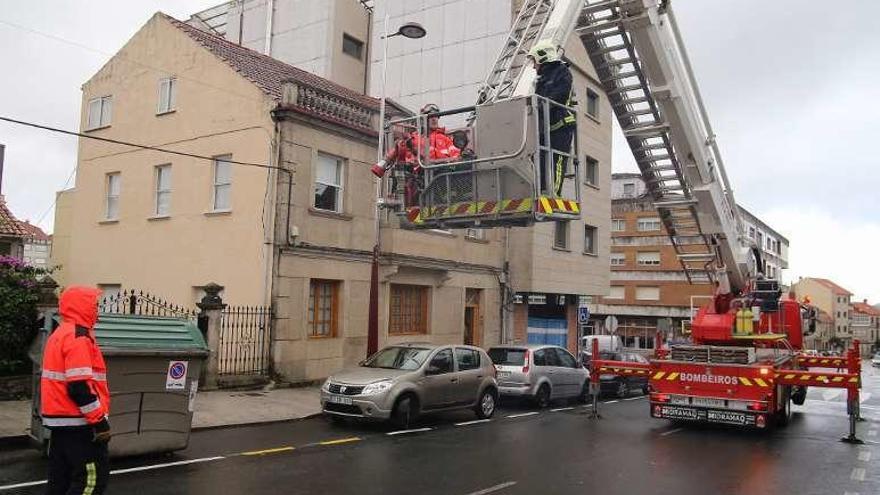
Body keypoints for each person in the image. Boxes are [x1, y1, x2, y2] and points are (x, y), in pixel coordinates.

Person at [41, 286, 111, 495]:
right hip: (80, 424)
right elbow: (78, 386)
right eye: (94, 306)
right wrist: (100, 423)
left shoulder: (60, 333)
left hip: (60, 423)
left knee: (59, 481)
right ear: (82, 307)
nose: (97, 310)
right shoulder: (79, 337)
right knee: (90, 481)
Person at [528, 40, 576, 197]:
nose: (533, 66)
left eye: (534, 61)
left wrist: (541, 106)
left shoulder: (563, 72)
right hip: (546, 127)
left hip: (562, 125)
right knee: (540, 160)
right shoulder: (541, 79)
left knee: (557, 161)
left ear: (542, 57)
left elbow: (560, 95)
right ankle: (542, 191)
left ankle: (554, 194)